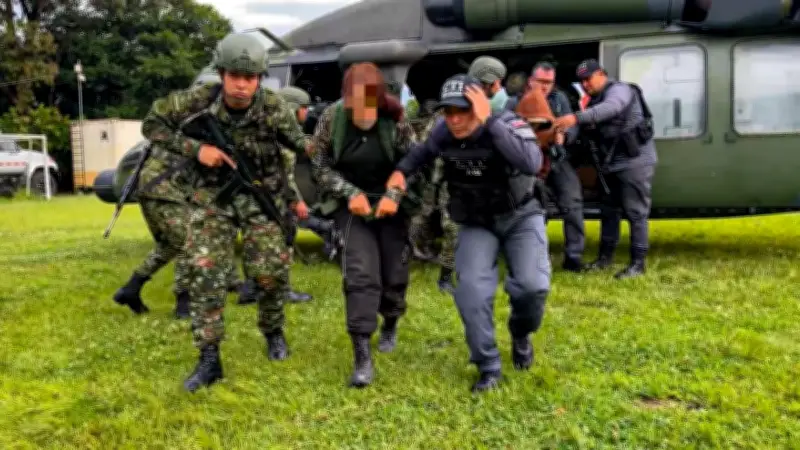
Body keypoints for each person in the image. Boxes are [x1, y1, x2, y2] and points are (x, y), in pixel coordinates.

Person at [140, 32, 309, 392]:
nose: (242, 85)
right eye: (235, 76)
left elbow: (302, 145)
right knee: (205, 272)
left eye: (250, 78)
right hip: (212, 198)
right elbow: (152, 124)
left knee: (269, 273)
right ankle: (209, 358)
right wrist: (196, 149)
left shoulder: (274, 107)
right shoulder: (197, 100)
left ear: (260, 78)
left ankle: (273, 331)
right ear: (221, 74)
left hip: (261, 197)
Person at [381, 74, 552, 392]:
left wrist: (490, 122)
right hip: (477, 221)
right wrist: (400, 174)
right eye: (448, 112)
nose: (455, 119)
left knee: (532, 287)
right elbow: (420, 154)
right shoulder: (444, 131)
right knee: (471, 292)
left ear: (479, 106)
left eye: (463, 110)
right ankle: (488, 365)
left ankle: (520, 333)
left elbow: (531, 162)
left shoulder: (507, 122)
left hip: (520, 216)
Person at [310, 62, 421, 388]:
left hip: (390, 204)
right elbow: (319, 166)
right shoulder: (332, 118)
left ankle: (391, 322)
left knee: (394, 274)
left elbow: (415, 163)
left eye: (368, 106)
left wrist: (394, 195)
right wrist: (349, 193)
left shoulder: (396, 120)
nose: (361, 113)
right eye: (354, 106)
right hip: (351, 206)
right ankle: (362, 355)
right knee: (360, 273)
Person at [553, 59, 657, 279]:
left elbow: (612, 108)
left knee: (636, 212)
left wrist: (574, 118)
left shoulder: (620, 90)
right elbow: (585, 128)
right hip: (611, 164)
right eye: (582, 81)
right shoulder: (593, 101)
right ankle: (604, 259)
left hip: (634, 161)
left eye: (588, 79)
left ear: (601, 74)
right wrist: (565, 136)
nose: (585, 84)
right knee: (609, 211)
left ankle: (638, 264)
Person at [526, 62, 586, 272]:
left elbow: (572, 126)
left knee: (573, 203)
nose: (545, 86)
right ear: (531, 81)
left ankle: (574, 257)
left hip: (557, 158)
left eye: (549, 82)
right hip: (530, 161)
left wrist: (564, 137)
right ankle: (533, 258)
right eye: (540, 81)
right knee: (531, 209)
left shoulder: (559, 99)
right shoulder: (519, 100)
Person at [407, 110, 457, 293]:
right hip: (438, 178)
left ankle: (445, 274)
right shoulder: (441, 119)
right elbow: (423, 146)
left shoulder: (477, 117)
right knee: (431, 218)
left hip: (456, 179)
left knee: (452, 227)